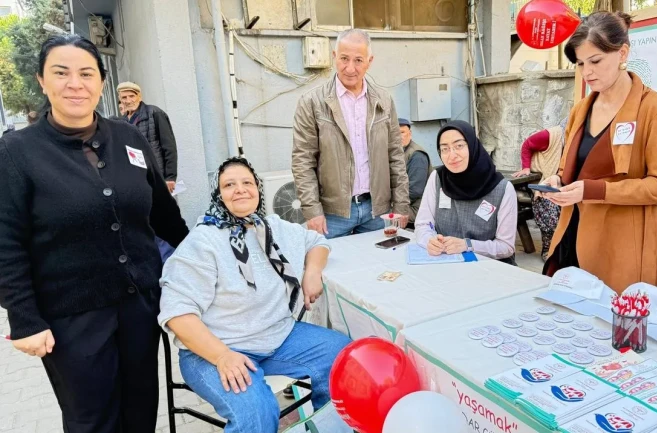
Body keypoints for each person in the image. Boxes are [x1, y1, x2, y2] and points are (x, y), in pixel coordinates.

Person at [0, 35, 189, 433]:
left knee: (140, 411)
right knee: (92, 420)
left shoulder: (129, 138)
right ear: (42, 81)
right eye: (61, 73)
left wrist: (207, 263)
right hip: (71, 318)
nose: (75, 83)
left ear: (101, 83)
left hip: (140, 307)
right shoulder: (17, 153)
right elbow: (6, 241)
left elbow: (165, 215)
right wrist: (24, 319)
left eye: (86, 73)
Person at [158, 156, 351, 433]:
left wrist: (312, 272)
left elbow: (317, 241)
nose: (240, 189)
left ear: (258, 189)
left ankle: (326, 428)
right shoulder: (203, 242)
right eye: (229, 184)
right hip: (213, 350)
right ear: (218, 194)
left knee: (343, 358)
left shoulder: (271, 227)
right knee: (257, 412)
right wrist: (223, 356)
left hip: (276, 337)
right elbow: (177, 313)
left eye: (247, 182)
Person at [539, 11, 657, 293]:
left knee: (616, 329)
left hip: (622, 247)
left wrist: (594, 190)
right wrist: (555, 182)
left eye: (595, 61)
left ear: (622, 53)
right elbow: (570, 168)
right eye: (580, 63)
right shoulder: (581, 109)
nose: (587, 72)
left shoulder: (656, 110)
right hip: (572, 233)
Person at [292, 29, 410, 238]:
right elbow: (303, 161)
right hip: (332, 214)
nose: (350, 68)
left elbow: (395, 156)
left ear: (369, 61)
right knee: (332, 269)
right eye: (344, 59)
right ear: (334, 56)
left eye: (358, 60)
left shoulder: (383, 100)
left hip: (377, 210)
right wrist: (312, 210)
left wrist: (401, 204)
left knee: (380, 267)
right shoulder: (312, 102)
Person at [415, 120, 518, 263]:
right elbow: (423, 224)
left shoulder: (502, 189)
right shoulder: (437, 178)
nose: (452, 155)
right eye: (445, 149)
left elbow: (506, 247)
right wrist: (429, 240)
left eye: (459, 146)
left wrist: (467, 245)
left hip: (488, 268)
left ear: (472, 145)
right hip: (445, 263)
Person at [512, 120, 567, 260]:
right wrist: (526, 167)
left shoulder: (574, 143)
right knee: (548, 205)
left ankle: (563, 247)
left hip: (559, 180)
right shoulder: (550, 136)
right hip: (539, 179)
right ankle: (548, 248)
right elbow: (527, 145)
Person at [117, 81, 178, 194]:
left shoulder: (155, 113)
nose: (128, 100)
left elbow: (169, 146)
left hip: (157, 175)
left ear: (139, 97)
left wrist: (170, 177)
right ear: (120, 100)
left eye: (132, 96)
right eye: (124, 97)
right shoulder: (122, 121)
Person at [399, 117, 433, 226]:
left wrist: (393, 203)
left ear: (410, 133)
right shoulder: (397, 153)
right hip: (404, 203)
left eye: (402, 132)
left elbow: (414, 191)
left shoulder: (417, 155)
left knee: (381, 215)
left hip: (417, 208)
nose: (399, 136)